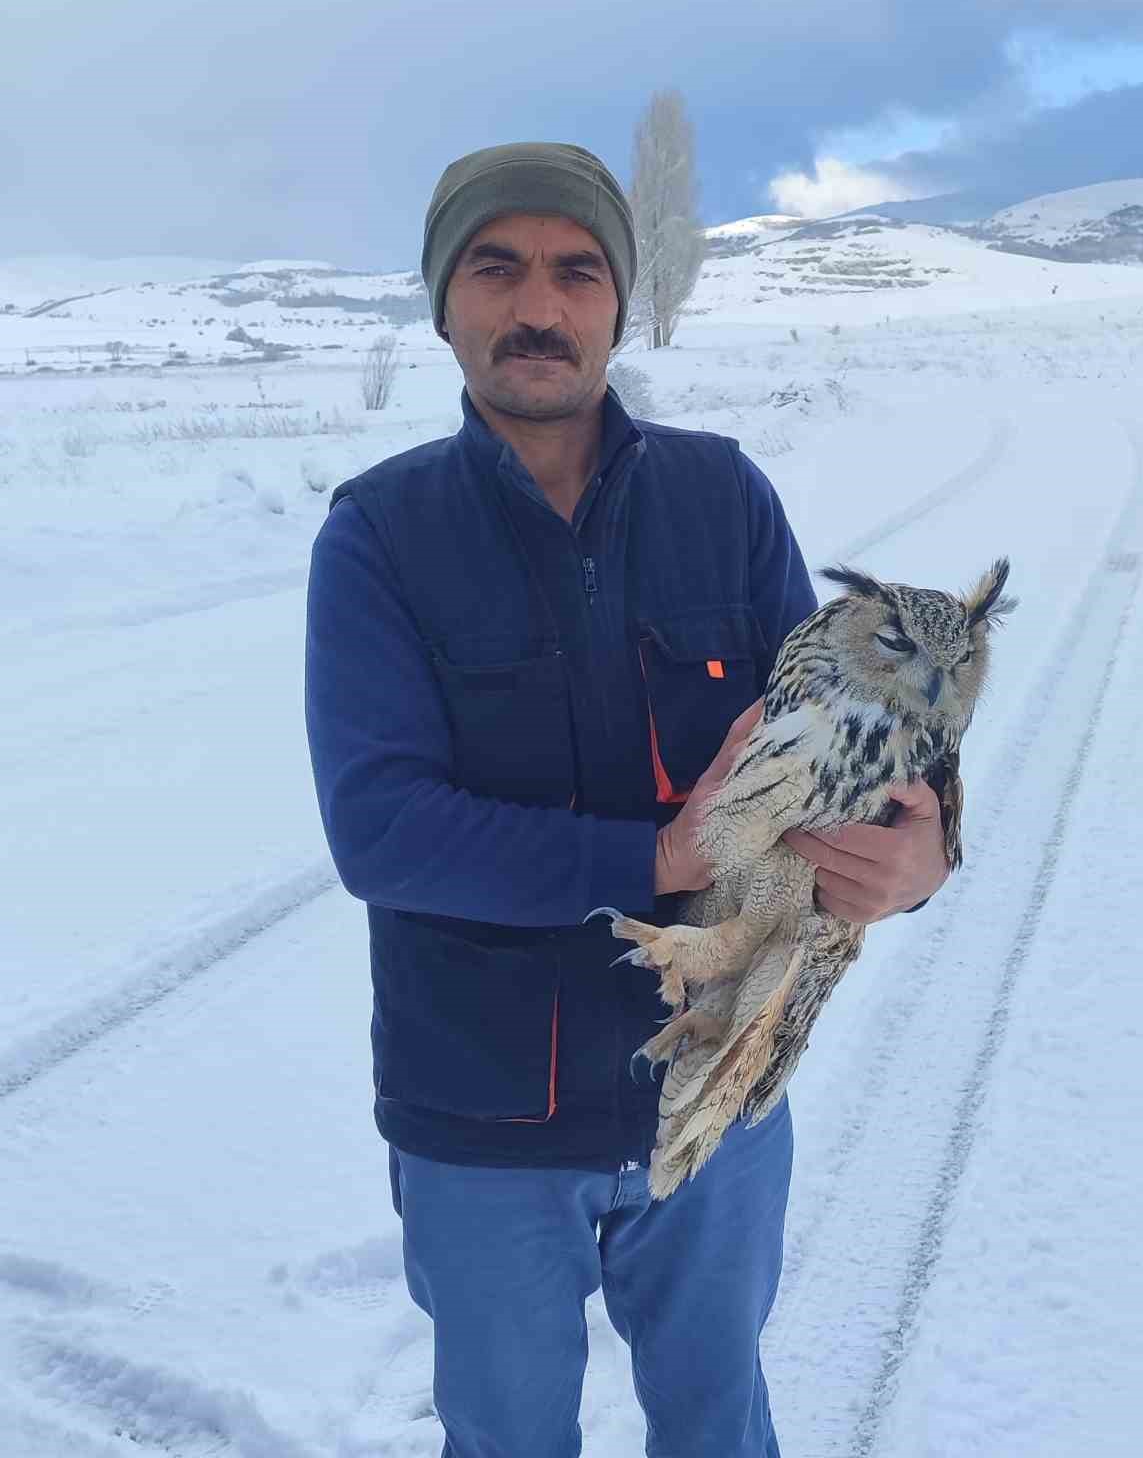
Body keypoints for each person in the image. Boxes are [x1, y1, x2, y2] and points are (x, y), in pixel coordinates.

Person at [303, 142, 950, 1458]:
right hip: (483, 1120)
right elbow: (383, 833)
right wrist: (660, 852)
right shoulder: (381, 535)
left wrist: (926, 843)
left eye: (577, 270)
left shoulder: (721, 496)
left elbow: (844, 715)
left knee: (720, 1428)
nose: (538, 305)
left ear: (621, 301)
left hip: (719, 1088)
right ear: (443, 303)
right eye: (496, 268)